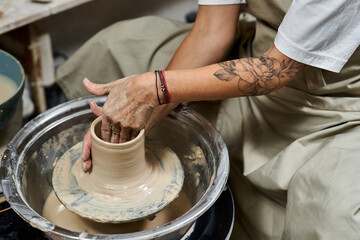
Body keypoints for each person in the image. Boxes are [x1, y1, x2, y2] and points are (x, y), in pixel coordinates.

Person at [55, 0, 360, 239]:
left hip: (337, 103)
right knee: (116, 46)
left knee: (330, 211)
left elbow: (275, 72)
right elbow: (211, 30)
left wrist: (153, 90)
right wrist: (139, 121)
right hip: (255, 55)